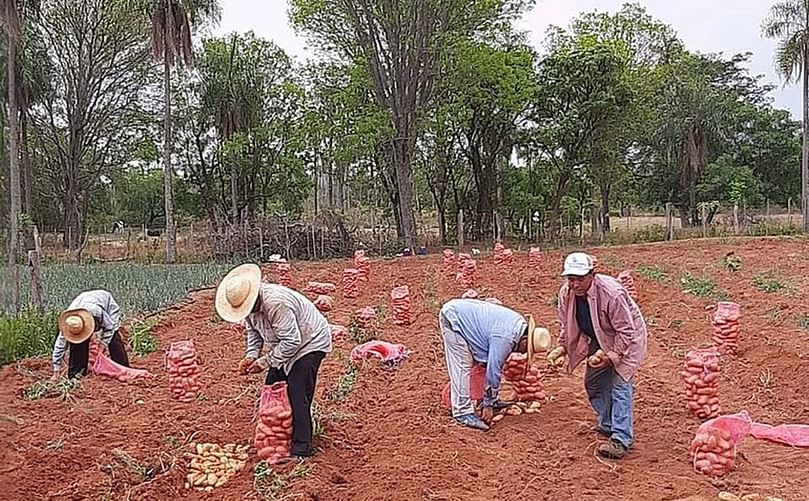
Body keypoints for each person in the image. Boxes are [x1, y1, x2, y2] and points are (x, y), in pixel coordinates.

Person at [215, 263, 332, 460]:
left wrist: (264, 362)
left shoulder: (276, 303)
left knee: (297, 392)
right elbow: (254, 333)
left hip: (310, 342)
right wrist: (251, 356)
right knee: (272, 387)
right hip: (287, 344)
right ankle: (278, 440)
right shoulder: (251, 311)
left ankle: (302, 448)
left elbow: (292, 341)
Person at [548, 252, 647, 460]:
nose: (574, 284)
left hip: (625, 339)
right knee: (593, 382)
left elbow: (626, 331)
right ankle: (608, 423)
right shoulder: (566, 294)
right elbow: (566, 324)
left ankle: (621, 439)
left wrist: (612, 355)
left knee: (619, 383)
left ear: (592, 274)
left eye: (580, 279)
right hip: (598, 337)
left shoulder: (612, 294)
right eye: (571, 279)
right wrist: (562, 347)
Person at [439, 298, 550, 431]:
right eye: (525, 350)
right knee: (463, 365)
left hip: (466, 318)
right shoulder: (505, 339)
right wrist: (488, 406)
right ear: (525, 341)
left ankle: (489, 400)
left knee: (481, 365)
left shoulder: (519, 325)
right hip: (454, 320)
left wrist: (491, 400)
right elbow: (494, 371)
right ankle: (462, 412)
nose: (521, 352)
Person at [51, 290, 130, 380]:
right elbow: (59, 347)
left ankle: (123, 367)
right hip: (83, 301)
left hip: (106, 304)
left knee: (114, 339)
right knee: (78, 341)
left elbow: (110, 327)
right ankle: (77, 374)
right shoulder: (70, 323)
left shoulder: (97, 312)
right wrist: (56, 372)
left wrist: (102, 346)